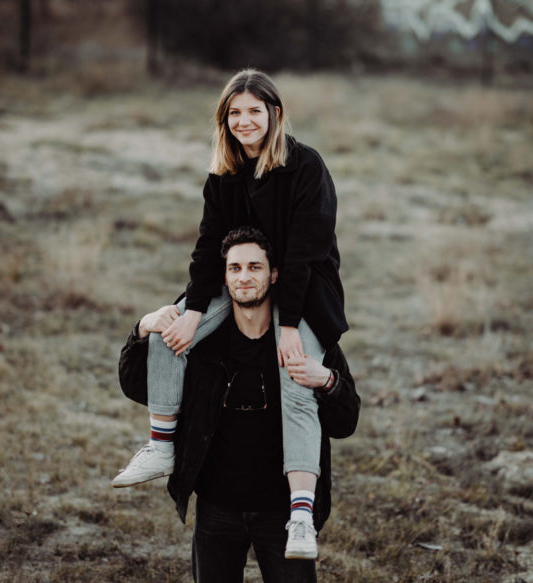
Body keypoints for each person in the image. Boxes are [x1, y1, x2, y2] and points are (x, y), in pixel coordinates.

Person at [112, 69, 348, 558]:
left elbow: (304, 254)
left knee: (296, 377)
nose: (244, 121)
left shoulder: (306, 166)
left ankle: (300, 516)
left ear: (274, 113)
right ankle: (161, 446)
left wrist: (288, 326)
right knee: (169, 333)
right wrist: (194, 310)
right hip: (242, 279)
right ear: (224, 119)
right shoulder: (223, 172)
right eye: (234, 113)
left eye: (254, 111)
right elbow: (207, 247)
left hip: (305, 289)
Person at [118, 226, 360, 580]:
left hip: (283, 511)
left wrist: (326, 380)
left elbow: (346, 422)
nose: (244, 277)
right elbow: (138, 386)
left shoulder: (306, 342)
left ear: (274, 274)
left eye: (254, 267)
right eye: (235, 268)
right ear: (224, 276)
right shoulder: (202, 342)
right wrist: (142, 330)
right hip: (217, 507)